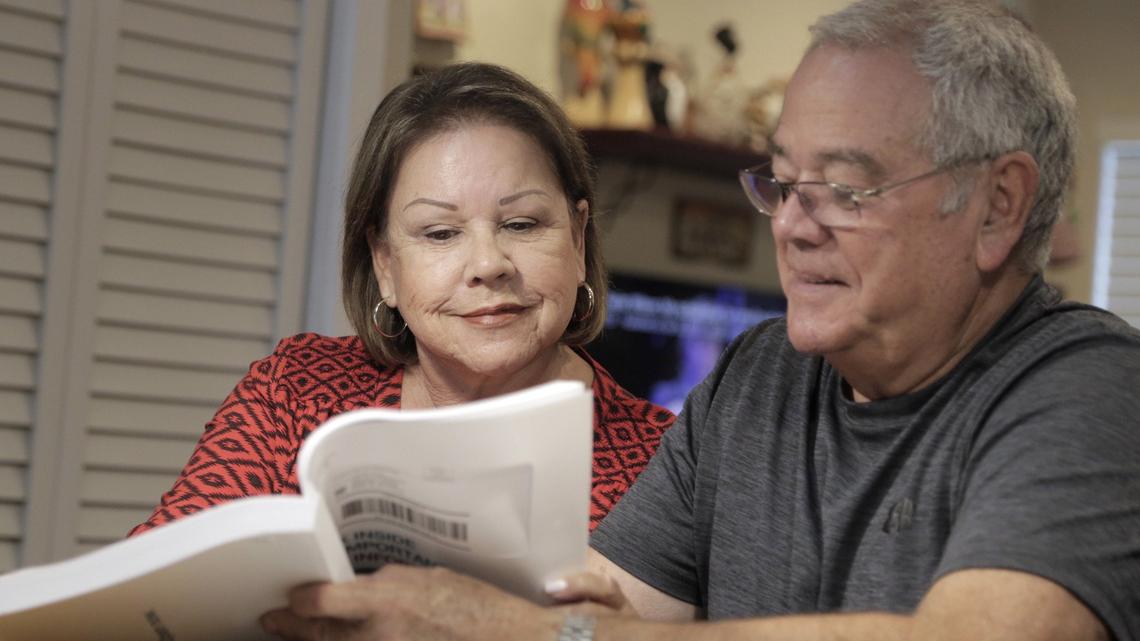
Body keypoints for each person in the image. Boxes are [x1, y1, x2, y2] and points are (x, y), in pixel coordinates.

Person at [259, 2, 1140, 641]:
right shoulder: (760, 376)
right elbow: (598, 604)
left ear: (997, 206)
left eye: (843, 186)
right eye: (785, 182)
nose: (792, 225)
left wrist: (535, 634)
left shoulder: (1088, 390)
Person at [130, 62, 675, 539]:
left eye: (521, 223)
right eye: (440, 233)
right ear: (384, 263)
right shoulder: (294, 392)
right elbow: (155, 590)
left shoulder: (669, 462)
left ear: (578, 239)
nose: (488, 264)